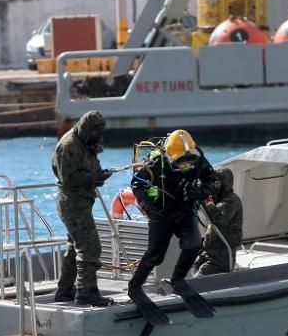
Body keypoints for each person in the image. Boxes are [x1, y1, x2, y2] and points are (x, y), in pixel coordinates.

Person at [127, 129, 217, 301]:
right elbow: (137, 184)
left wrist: (201, 192)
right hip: (161, 212)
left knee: (194, 244)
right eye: (181, 162)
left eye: (188, 161)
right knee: (155, 255)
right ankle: (135, 286)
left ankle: (178, 279)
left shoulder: (199, 161)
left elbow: (211, 180)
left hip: (185, 209)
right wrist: (149, 208)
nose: (186, 166)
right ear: (170, 156)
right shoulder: (155, 163)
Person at [50, 110, 113, 306]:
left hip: (83, 202)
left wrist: (100, 175)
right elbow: (67, 178)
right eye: (95, 132)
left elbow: (93, 165)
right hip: (72, 203)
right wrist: (92, 178)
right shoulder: (68, 146)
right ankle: (87, 292)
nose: (98, 136)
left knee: (74, 247)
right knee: (90, 247)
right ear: (87, 128)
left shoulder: (88, 142)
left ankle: (65, 290)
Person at [194, 167, 243, 276]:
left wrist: (207, 201)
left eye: (216, 183)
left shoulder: (231, 201)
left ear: (224, 184)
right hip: (209, 252)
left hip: (222, 254)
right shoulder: (219, 200)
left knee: (199, 280)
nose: (213, 186)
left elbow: (218, 219)